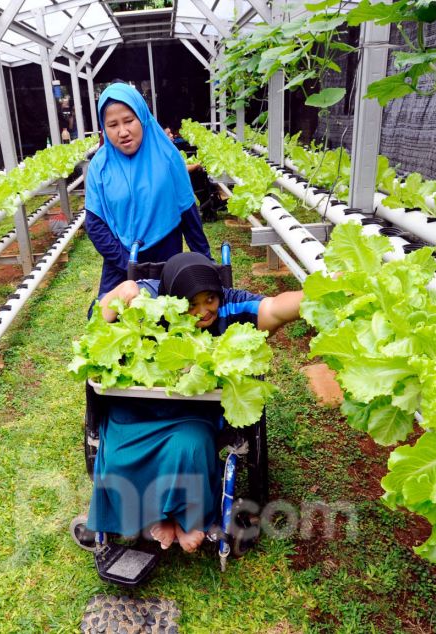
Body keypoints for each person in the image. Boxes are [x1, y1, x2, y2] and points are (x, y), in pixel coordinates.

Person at [87, 252, 303, 552]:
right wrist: (123, 292)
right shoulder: (150, 299)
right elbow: (95, 320)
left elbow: (276, 308)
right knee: (119, 450)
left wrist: (320, 292)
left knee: (190, 444)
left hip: (192, 410)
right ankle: (157, 517)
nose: (204, 311)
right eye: (192, 303)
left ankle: (185, 518)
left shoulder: (230, 305)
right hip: (137, 405)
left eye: (210, 300)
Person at [85, 84, 212, 297]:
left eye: (129, 121)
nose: (123, 132)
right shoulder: (100, 165)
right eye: (112, 124)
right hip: (120, 259)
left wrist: (206, 264)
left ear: (142, 117)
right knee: (103, 316)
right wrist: (127, 263)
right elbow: (94, 223)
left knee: (167, 318)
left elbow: (187, 212)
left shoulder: (167, 156)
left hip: (166, 256)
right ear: (103, 128)